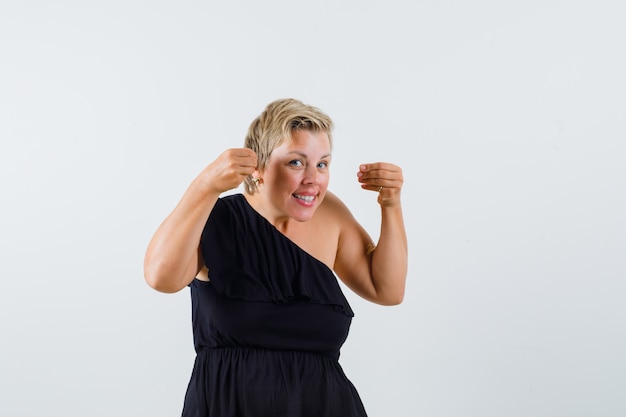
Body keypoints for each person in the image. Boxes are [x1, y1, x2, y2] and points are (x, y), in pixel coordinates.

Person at [143, 98, 408, 417]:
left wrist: (390, 204)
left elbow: (388, 290)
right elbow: (160, 277)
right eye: (296, 162)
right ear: (258, 166)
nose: (314, 179)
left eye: (322, 164)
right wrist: (204, 186)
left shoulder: (331, 215)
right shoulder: (216, 217)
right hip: (229, 406)